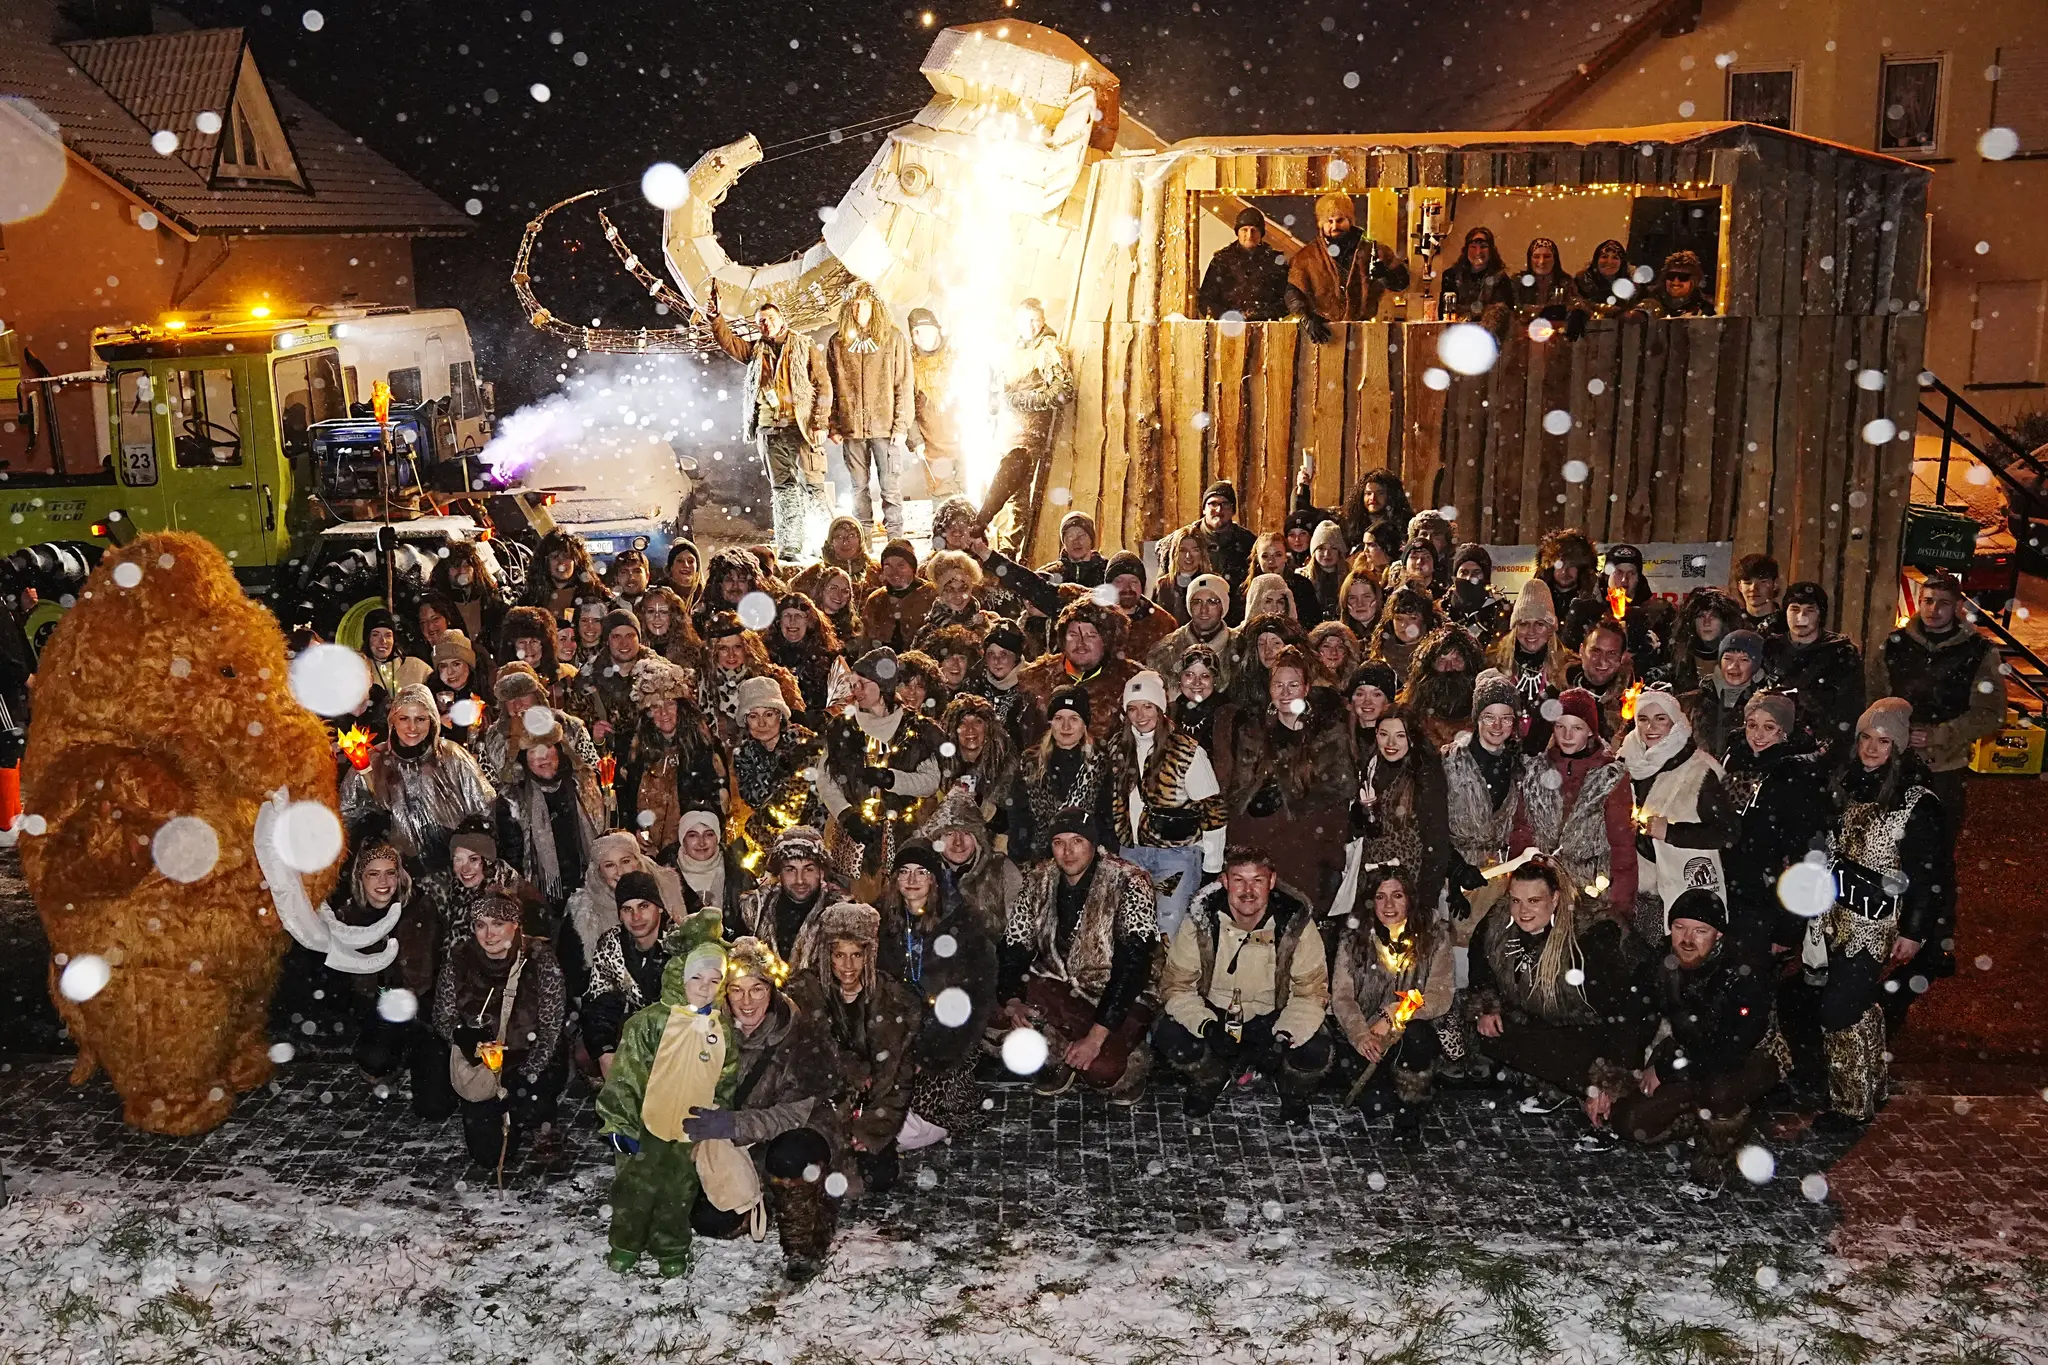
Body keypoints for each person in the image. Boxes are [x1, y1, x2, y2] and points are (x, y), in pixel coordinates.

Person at [1810, 699, 1954, 1127]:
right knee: (1857, 1002)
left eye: (1884, 741)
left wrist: (1914, 931)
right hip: (1835, 916)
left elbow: (1930, 875)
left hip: (1878, 925)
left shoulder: (1916, 801)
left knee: (1839, 1008)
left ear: (1901, 745)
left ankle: (1850, 1105)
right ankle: (1871, 1083)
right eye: (1866, 738)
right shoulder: (1845, 783)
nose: (1872, 749)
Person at [1593, 888, 1791, 1192]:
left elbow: (1731, 1049)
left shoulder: (1743, 972)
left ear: (1719, 936)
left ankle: (1716, 1157)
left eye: (1701, 931)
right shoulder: (1662, 962)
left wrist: (1665, 1070)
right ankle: (1694, 1116)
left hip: (1753, 1057)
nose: (1687, 939)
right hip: (1689, 1051)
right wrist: (1608, 1081)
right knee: (1631, 1123)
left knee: (1718, 1091)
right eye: (1679, 927)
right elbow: (1629, 1016)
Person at [687, 936, 847, 1283]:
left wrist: (731, 1124)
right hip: (741, 1143)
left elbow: (790, 1115)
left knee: (790, 1156)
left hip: (799, 1131)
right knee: (710, 1221)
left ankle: (805, 1239)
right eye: (736, 990)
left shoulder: (802, 1036)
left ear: (771, 990)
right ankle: (762, 1200)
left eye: (757, 989)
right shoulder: (711, 1032)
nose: (747, 1002)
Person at [595, 933, 736, 1276]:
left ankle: (670, 1245)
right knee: (635, 1189)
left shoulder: (721, 1029)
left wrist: (716, 1114)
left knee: (678, 1192)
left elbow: (725, 1077)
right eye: (697, 978)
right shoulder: (650, 1023)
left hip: (689, 1130)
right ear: (679, 976)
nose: (705, 987)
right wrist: (619, 1123)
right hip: (647, 1123)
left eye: (715, 980)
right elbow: (626, 1074)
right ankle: (626, 1242)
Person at [1158, 847, 1331, 1123]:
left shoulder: (1295, 924)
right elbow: (1177, 986)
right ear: (1225, 881)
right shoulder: (1201, 921)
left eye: (1257, 880)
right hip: (1216, 1015)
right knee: (1170, 1034)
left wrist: (1284, 1036)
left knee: (1315, 1048)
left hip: (1273, 1020)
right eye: (1239, 879)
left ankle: (1293, 1090)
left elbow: (1311, 992)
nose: (1248, 890)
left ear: (1271, 881)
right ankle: (1211, 1077)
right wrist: (1207, 1026)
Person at [1467, 857, 1644, 1124]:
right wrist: (1487, 1007)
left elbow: (1625, 1013)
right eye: (1516, 900)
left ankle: (1601, 1099)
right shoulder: (1499, 922)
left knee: (1624, 1117)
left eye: (1534, 901)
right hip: (1542, 1018)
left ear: (1556, 898)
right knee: (1492, 1035)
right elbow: (1480, 961)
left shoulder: (1590, 940)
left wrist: (1609, 1080)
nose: (1522, 910)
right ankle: (1561, 1085)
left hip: (1593, 1030)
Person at [1001, 807, 1159, 1100]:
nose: (1067, 851)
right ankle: (1063, 1050)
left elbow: (1133, 966)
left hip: (1115, 995)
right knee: (995, 1010)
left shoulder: (1130, 881)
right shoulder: (1039, 879)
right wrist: (1012, 999)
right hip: (1057, 987)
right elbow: (1015, 942)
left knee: (1104, 1071)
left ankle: (1129, 1058)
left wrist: (1097, 1037)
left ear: (1093, 843)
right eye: (1059, 842)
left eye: (1077, 840)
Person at [885, 801, 1004, 1138]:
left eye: (921, 872)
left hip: (944, 1043)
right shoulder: (886, 925)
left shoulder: (963, 927)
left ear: (934, 880)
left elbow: (972, 1003)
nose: (912, 880)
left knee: (907, 1129)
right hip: (896, 1039)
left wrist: (931, 1054)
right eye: (904, 872)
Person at [785, 901, 921, 1193]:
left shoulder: (891, 1000)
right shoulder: (805, 995)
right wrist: (847, 1068)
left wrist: (872, 1127)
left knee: (880, 1175)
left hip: (870, 1107)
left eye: (856, 955)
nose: (848, 966)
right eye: (839, 955)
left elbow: (899, 1077)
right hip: (823, 1105)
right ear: (827, 955)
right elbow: (804, 1061)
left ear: (868, 955)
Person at [436, 892, 568, 1172]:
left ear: (515, 924)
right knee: (487, 1154)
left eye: (497, 923)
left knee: (528, 1100)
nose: (489, 933)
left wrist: (525, 1076)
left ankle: (540, 1119)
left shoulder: (540, 960)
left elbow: (551, 1027)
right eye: (480, 924)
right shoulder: (459, 960)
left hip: (527, 1058)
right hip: (482, 1063)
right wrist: (465, 1038)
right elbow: (443, 1016)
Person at [327, 840, 454, 1119]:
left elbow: (441, 963)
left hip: (423, 1014)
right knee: (375, 1057)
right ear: (361, 877)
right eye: (374, 873)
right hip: (378, 1012)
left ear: (400, 875)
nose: (383, 881)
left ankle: (424, 1064)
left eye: (390, 872)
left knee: (434, 1109)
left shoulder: (422, 908)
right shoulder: (347, 919)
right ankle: (387, 1066)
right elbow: (340, 985)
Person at [1331, 866, 1455, 1141]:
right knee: (1376, 1105)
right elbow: (1341, 995)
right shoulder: (1354, 938)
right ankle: (1383, 1082)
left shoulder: (1433, 936)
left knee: (1418, 1039)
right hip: (1367, 1030)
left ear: (1409, 898)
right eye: (1380, 896)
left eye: (1397, 895)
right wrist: (1360, 1034)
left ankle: (1410, 1112)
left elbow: (1440, 994)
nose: (1389, 905)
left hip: (1412, 1027)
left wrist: (1394, 1013)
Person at [707, 296, 833, 562]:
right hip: (770, 429)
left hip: (800, 427)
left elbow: (823, 386)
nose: (766, 325)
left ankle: (825, 543)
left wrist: (820, 422)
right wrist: (717, 319)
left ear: (782, 319)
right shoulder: (756, 351)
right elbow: (729, 343)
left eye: (770, 319)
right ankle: (790, 547)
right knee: (784, 489)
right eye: (761, 322)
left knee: (813, 486)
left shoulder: (804, 346)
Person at [1227, 645, 1355, 907]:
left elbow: (1337, 798)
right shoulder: (1254, 733)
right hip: (1261, 849)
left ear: (1306, 688)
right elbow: (1239, 792)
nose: (1285, 693)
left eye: (1293, 685)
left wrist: (1331, 860)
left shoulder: (1327, 734)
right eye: (1278, 685)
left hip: (1307, 851)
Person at [1509, 687, 1638, 926]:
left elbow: (1622, 846)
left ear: (1590, 731)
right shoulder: (1536, 771)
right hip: (1541, 897)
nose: (1567, 735)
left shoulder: (1610, 776)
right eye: (1560, 726)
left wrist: (1620, 908)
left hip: (1590, 897)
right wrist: (1522, 883)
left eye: (1576, 727)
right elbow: (1522, 831)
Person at [1112, 670, 1227, 938]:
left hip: (1176, 856)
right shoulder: (1118, 747)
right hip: (1132, 854)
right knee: (1132, 931)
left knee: (1168, 928)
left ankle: (1172, 980)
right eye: (1133, 708)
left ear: (1161, 708)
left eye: (1147, 706)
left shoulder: (1187, 750)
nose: (1140, 715)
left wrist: (1212, 865)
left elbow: (1212, 810)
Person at [1881, 571, 2001, 825]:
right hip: (1893, 760)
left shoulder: (1979, 652)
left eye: (1943, 603)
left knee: (1937, 846)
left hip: (1945, 765)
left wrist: (1939, 735)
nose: (1933, 609)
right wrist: (1892, 730)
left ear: (1958, 606)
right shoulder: (1894, 644)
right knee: (1883, 844)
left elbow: (1990, 713)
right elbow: (1875, 696)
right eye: (1928, 600)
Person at [1718, 691, 1829, 959]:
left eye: (1769, 727)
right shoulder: (1733, 760)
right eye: (1752, 725)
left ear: (1784, 732)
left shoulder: (1796, 777)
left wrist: (1788, 927)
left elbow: (1803, 856)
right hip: (1724, 883)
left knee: (1752, 972)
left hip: (1764, 895)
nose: (1758, 735)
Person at [820, 647, 946, 879]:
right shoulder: (841, 727)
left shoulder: (916, 728)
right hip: (853, 837)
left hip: (904, 834)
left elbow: (930, 781)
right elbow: (825, 779)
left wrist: (892, 779)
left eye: (863, 683)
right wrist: (847, 815)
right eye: (854, 684)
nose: (856, 690)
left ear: (883, 686)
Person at [1621, 688, 1737, 938]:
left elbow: (1727, 832)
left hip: (1680, 890)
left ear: (1676, 723)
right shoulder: (1623, 763)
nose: (1650, 726)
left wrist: (1672, 832)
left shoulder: (1700, 771)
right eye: (1643, 719)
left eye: (1660, 718)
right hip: (1628, 888)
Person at [341, 684, 495, 871]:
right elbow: (346, 818)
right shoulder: (372, 762)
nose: (412, 727)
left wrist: (465, 840)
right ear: (393, 722)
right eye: (404, 718)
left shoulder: (453, 757)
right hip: (396, 878)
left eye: (420, 719)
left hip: (454, 872)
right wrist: (370, 831)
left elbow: (485, 808)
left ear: (432, 721)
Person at [979, 299, 1076, 551]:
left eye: (1035, 320)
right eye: (1025, 321)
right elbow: (1001, 386)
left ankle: (1010, 549)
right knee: (1003, 486)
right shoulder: (1012, 350)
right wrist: (996, 400)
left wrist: (1025, 400)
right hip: (1007, 429)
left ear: (1043, 320)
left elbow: (1064, 391)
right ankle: (996, 543)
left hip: (1030, 431)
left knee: (1017, 490)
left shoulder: (1049, 349)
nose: (1031, 327)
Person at [491, 716, 604, 933]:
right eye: (533, 750)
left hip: (590, 892)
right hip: (541, 902)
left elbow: (600, 828)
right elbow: (512, 861)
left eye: (548, 747)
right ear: (524, 757)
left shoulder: (581, 785)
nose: (543, 757)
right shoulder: (513, 799)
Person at [826, 282, 914, 539]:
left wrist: (901, 425)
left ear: (874, 306)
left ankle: (895, 542)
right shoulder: (838, 343)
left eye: (864, 304)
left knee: (890, 488)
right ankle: (862, 545)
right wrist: (834, 424)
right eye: (854, 304)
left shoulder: (893, 338)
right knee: (858, 488)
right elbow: (830, 386)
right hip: (852, 429)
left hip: (885, 427)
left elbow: (904, 383)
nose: (858, 310)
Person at [616, 658, 727, 859]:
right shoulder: (634, 749)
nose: (664, 713)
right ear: (647, 712)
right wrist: (634, 829)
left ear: (681, 708)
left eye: (670, 704)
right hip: (644, 850)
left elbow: (715, 802)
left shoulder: (703, 747)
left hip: (690, 851)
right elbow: (624, 797)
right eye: (655, 707)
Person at [1353, 705, 1451, 920]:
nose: (1390, 744)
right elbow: (1363, 830)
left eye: (1400, 736)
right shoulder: (1369, 767)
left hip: (1410, 879)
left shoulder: (1425, 775)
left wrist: (1427, 900)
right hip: (1373, 878)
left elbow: (1437, 841)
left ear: (1412, 738)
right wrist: (1366, 810)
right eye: (1384, 735)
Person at [1442, 670, 1524, 922]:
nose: (1497, 727)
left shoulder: (1519, 765)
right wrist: (1455, 870)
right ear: (1477, 718)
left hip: (1501, 879)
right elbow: (1429, 825)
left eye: (1505, 718)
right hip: (1455, 879)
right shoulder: (1449, 762)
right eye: (1489, 717)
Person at [565, 832, 694, 991]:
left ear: (638, 861)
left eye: (625, 861)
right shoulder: (583, 910)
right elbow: (574, 975)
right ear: (599, 870)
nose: (620, 871)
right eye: (609, 865)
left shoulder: (668, 885)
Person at [581, 871, 677, 1080]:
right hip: (636, 1028)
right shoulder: (612, 943)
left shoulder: (680, 941)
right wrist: (605, 1051)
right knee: (586, 1052)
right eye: (627, 909)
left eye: (643, 906)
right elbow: (599, 998)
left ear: (659, 907)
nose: (636, 917)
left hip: (679, 1034)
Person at [728, 675, 827, 872]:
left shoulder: (805, 743)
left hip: (815, 830)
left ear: (780, 715)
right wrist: (780, 773)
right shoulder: (744, 754)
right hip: (770, 836)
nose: (762, 723)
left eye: (769, 714)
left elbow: (811, 800)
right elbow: (755, 798)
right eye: (754, 716)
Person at [1285, 191, 1410, 342]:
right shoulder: (1306, 258)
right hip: (1324, 334)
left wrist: (1385, 274)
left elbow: (1401, 283)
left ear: (1350, 221)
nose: (1334, 226)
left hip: (1365, 334)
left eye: (1340, 220)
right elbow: (1293, 292)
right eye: (1329, 221)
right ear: (1321, 224)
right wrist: (1306, 317)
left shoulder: (1374, 251)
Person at [1762, 580, 1864, 760]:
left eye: (1810, 610)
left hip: (1819, 752)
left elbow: (1850, 711)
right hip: (1769, 744)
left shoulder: (1842, 654)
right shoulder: (1769, 649)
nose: (1801, 617)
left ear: (1820, 615)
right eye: (1794, 609)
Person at [1016, 597, 1142, 743]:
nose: (1081, 643)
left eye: (1091, 636)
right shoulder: (1036, 680)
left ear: (1107, 640)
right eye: (1073, 635)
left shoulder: (1132, 682)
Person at [939, 692, 1032, 859]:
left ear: (988, 728)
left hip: (992, 858)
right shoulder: (941, 767)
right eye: (963, 723)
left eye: (978, 722)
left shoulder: (1007, 769)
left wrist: (979, 803)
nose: (970, 730)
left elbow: (1012, 824)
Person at [734, 826, 843, 960]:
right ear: (779, 873)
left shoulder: (841, 913)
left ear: (821, 873)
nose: (800, 880)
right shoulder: (754, 910)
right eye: (790, 870)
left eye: (808, 869)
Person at [697, 612, 804, 744]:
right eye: (723, 648)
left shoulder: (775, 679)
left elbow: (794, 725)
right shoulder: (699, 684)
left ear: (747, 647)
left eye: (737, 647)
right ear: (713, 651)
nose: (731, 655)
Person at [1491, 580, 1571, 749]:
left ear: (1551, 629)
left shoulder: (1568, 668)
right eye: (1524, 624)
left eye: (1540, 624)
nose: (1531, 631)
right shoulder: (1495, 665)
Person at [1166, 482, 1258, 616]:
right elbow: (1167, 585)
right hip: (1189, 618)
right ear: (1203, 509)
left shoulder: (1248, 542)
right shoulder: (1182, 540)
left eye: (1225, 504)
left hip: (1236, 619)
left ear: (1233, 510)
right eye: (1213, 504)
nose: (1219, 510)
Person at [1148, 573, 1240, 696]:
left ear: (1223, 606)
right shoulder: (1164, 652)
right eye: (1197, 602)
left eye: (1212, 602)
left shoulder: (1242, 648)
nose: (1203, 610)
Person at [907, 307, 967, 498]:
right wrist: (915, 440)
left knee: (973, 501)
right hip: (934, 449)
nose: (920, 337)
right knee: (944, 505)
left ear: (935, 329)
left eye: (923, 330)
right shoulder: (909, 366)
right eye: (914, 332)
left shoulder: (957, 356)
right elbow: (905, 406)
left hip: (964, 443)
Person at [959, 621, 1046, 752]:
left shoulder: (1035, 687)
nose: (996, 660)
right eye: (991, 654)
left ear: (1016, 656)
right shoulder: (973, 684)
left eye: (1003, 654)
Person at [1401, 622, 1484, 749]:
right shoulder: (1412, 711)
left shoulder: (1483, 709)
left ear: (1469, 664)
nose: (1449, 668)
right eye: (1441, 661)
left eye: (1457, 660)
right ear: (1430, 666)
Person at [1682, 630, 1764, 759]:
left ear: (1756, 664)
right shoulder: (1691, 702)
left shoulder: (1765, 704)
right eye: (1728, 658)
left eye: (1743, 660)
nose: (1733, 666)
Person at [1199, 206, 1291, 320]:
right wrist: (1231, 316)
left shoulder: (1276, 262)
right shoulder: (1221, 261)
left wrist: (1260, 314)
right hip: (1227, 329)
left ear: (1261, 233)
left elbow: (1287, 300)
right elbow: (1206, 300)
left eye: (1254, 230)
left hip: (1268, 328)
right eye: (1244, 230)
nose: (1249, 235)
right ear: (1237, 232)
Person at [764, 591, 841, 725]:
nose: (792, 621)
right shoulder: (765, 656)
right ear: (779, 621)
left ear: (809, 621)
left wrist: (822, 718)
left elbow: (844, 699)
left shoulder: (830, 658)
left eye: (798, 616)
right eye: (787, 615)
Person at [587, 609, 656, 746]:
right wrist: (596, 739)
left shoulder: (660, 675)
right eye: (616, 637)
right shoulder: (588, 679)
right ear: (607, 640)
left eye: (630, 635)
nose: (624, 643)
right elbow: (577, 739)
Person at [668, 808, 748, 924]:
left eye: (709, 834)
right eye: (693, 836)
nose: (702, 842)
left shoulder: (739, 877)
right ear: (683, 840)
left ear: (717, 838)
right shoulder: (664, 877)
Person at [1567, 616, 1636, 742]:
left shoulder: (1633, 701)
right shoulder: (1558, 693)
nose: (1602, 661)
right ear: (1581, 651)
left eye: (1611, 653)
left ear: (1622, 657)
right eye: (1596, 651)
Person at [860, 539, 937, 653]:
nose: (894, 572)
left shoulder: (931, 594)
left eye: (901, 565)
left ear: (912, 567)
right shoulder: (876, 600)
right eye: (888, 565)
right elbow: (866, 644)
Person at [1105, 551, 1178, 664]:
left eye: (1133, 582)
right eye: (1120, 581)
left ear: (1142, 586)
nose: (1127, 588)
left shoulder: (1163, 624)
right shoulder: (1095, 620)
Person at [1537, 529, 1604, 650]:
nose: (1564, 571)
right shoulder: (1537, 599)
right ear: (1550, 566)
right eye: (1560, 564)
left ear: (1582, 568)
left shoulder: (1593, 602)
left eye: (1572, 565)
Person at [1669, 589, 1745, 695]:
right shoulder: (1680, 658)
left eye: (1713, 617)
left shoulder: (1742, 656)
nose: (1706, 622)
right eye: (1700, 616)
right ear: (1691, 621)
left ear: (1724, 622)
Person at [1438, 226, 1514, 332]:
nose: (1478, 252)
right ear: (1466, 250)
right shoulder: (1451, 276)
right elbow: (1445, 313)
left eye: (1483, 247)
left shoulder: (1501, 279)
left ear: (1491, 250)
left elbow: (1500, 315)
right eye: (1473, 247)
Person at [792, 516, 880, 607]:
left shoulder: (875, 571)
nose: (845, 542)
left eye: (851, 535)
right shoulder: (815, 574)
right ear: (831, 542)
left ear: (860, 540)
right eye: (839, 536)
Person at [519, 529, 607, 615]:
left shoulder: (597, 595)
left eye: (566, 556)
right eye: (554, 557)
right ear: (544, 562)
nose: (561, 563)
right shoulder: (531, 599)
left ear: (577, 561)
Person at [1444, 545, 1512, 648]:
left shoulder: (1501, 612)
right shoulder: (1441, 610)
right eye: (1464, 572)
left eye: (1476, 572)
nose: (1469, 578)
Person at [429, 631, 486, 753]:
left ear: (469, 665)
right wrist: (435, 725)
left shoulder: (484, 697)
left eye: (456, 664)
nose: (450, 672)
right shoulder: (429, 699)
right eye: (443, 666)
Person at [1370, 585, 1439, 682]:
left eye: (1412, 618)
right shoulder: (1380, 652)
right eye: (1399, 618)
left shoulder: (1438, 655)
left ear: (1425, 620)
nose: (1404, 624)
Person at [361, 606, 432, 697]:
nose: (383, 641)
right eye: (375, 635)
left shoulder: (416, 667)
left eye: (388, 635)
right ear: (367, 638)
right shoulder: (360, 670)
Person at [636, 584, 700, 670]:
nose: (657, 617)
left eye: (663, 611)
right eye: (651, 611)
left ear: (673, 615)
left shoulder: (691, 650)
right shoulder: (634, 650)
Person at [1041, 510, 1110, 588]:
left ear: (1091, 539)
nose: (1076, 541)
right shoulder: (1049, 575)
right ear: (1064, 542)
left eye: (1081, 535)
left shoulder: (1108, 572)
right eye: (1070, 536)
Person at [1643, 250, 1715, 318]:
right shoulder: (1649, 302)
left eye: (1683, 277)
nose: (1676, 281)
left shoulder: (1704, 310)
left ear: (1693, 281)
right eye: (1671, 276)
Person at [1515, 236, 1575, 313]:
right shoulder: (1519, 282)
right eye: (1536, 257)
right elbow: (1514, 308)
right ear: (1530, 259)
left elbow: (1575, 305)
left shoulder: (1565, 282)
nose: (1541, 262)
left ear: (1555, 259)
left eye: (1547, 257)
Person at [1572, 239, 1634, 314]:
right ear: (1596, 260)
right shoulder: (1581, 282)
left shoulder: (1631, 287)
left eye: (1615, 258)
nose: (1609, 262)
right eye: (1604, 257)